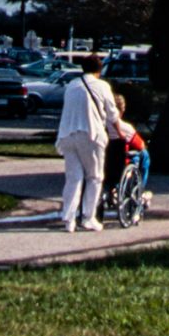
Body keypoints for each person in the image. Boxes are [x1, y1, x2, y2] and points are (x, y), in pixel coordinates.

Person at [55, 54, 124, 232]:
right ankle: (88, 217)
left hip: (67, 135)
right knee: (94, 177)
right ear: (99, 71)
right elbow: (112, 113)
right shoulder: (102, 86)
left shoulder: (72, 85)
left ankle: (69, 219)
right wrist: (119, 132)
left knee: (73, 178)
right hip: (91, 135)